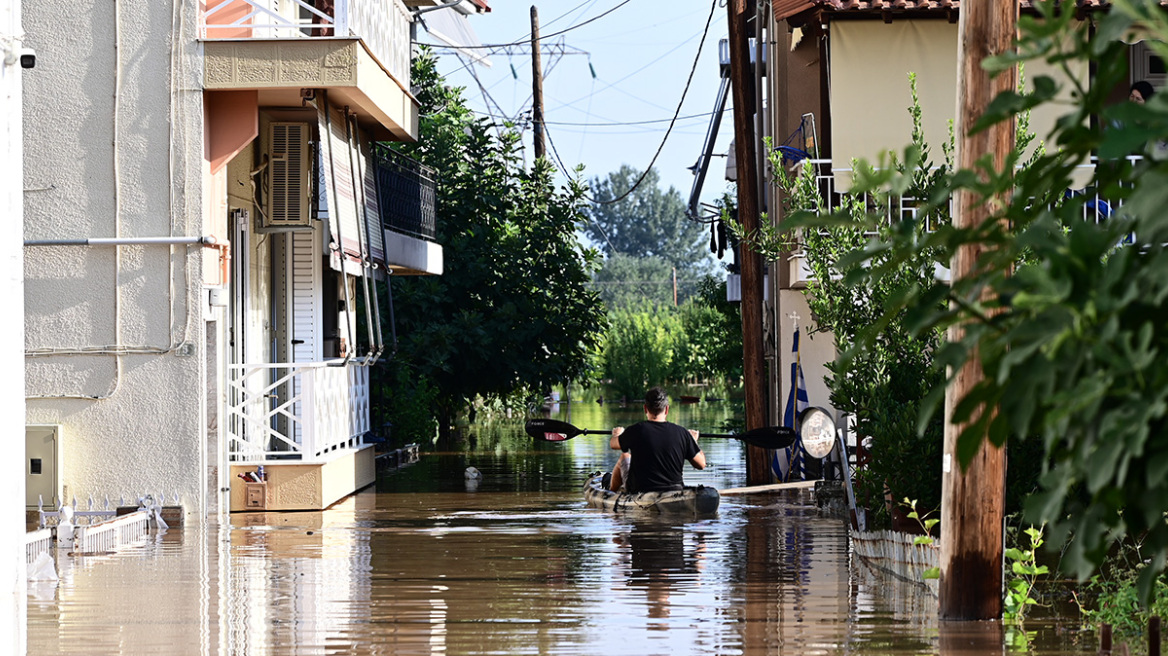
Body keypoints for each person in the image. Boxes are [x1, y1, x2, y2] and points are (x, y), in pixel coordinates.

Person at [607, 387, 706, 492]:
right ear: (667, 409)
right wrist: (693, 441)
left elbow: (614, 444)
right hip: (674, 490)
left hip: (639, 490)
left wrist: (617, 434)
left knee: (625, 456)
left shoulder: (636, 430)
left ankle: (611, 494)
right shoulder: (683, 433)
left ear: (645, 408)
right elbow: (701, 464)